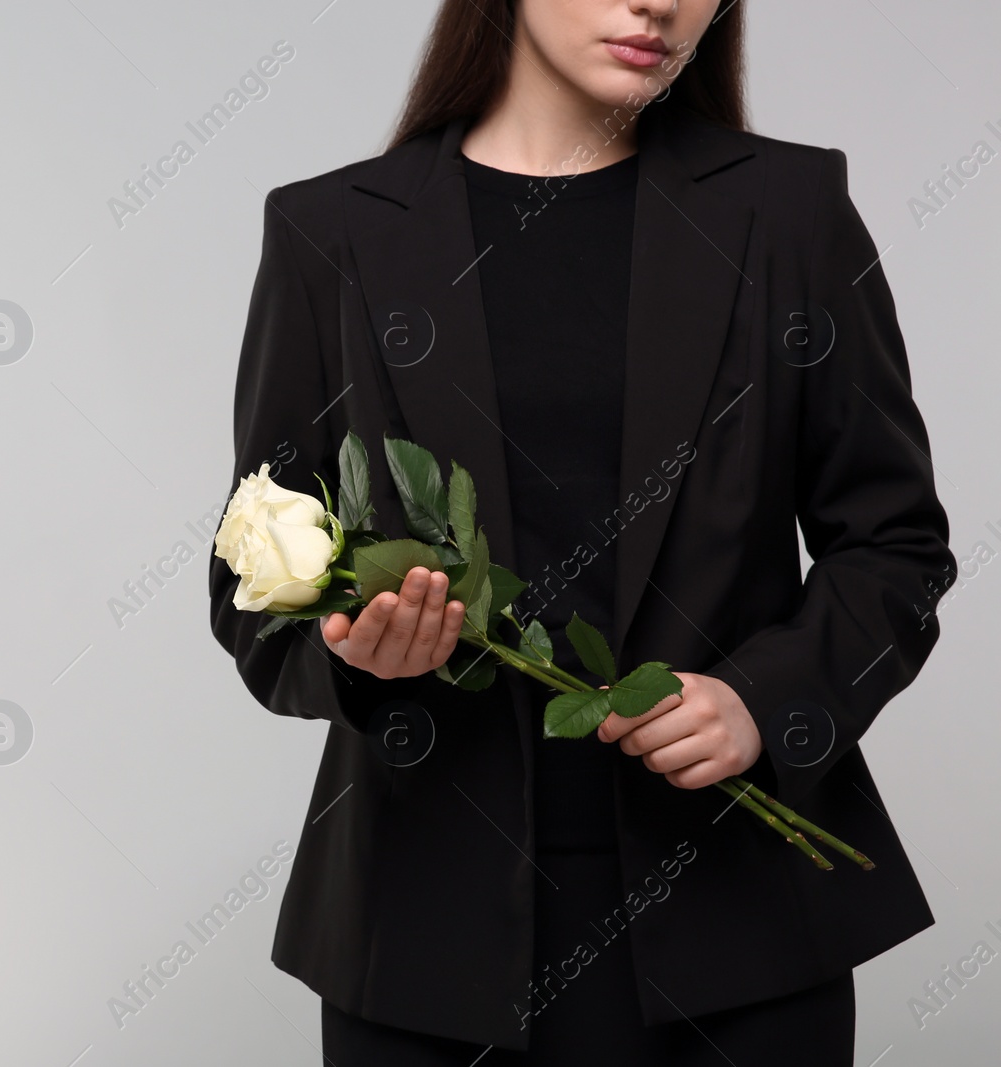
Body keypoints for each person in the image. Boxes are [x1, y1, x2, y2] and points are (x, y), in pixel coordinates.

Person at [207, 0, 957, 1063]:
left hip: (737, 933)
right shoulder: (334, 233)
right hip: (425, 946)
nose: (659, 3)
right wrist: (359, 661)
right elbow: (249, 573)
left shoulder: (789, 211)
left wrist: (767, 698)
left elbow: (895, 546)